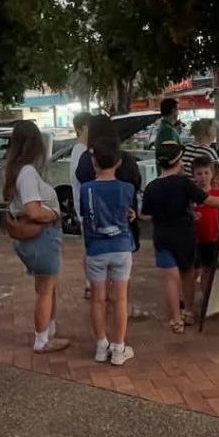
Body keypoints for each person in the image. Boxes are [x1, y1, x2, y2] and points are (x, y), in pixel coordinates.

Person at [141, 141, 219, 332]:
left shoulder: (152, 187)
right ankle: (189, 313)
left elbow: (145, 214)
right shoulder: (184, 183)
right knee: (187, 274)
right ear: (179, 163)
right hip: (185, 237)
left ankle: (176, 320)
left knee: (170, 278)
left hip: (162, 238)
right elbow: (209, 200)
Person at [3, 120, 69, 354]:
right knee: (45, 288)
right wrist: (53, 213)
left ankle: (48, 329)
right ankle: (42, 338)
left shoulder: (17, 170)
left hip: (33, 238)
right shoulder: (28, 172)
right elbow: (32, 209)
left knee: (46, 287)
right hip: (41, 236)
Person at [79, 137, 136, 366]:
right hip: (121, 247)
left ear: (93, 162)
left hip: (95, 249)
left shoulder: (86, 189)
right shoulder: (127, 188)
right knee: (120, 299)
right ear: (119, 162)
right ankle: (119, 347)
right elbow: (125, 212)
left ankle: (101, 346)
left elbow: (86, 215)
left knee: (97, 300)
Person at [76, 114, 143, 251]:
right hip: (124, 231)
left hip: (96, 233)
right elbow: (136, 184)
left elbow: (81, 180)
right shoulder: (126, 159)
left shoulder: (86, 159)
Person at [191, 153, 219, 300]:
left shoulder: (218, 194)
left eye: (206, 173)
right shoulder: (190, 195)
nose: (203, 176)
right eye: (199, 173)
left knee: (208, 270)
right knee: (194, 271)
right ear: (193, 175)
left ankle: (207, 298)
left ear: (212, 174)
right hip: (195, 240)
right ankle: (189, 297)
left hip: (213, 238)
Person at [70, 111, 92, 298]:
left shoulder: (84, 149)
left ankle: (91, 283)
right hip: (85, 207)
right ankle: (89, 283)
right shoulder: (79, 151)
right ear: (79, 129)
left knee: (90, 247)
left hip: (85, 206)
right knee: (90, 248)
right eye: (87, 126)